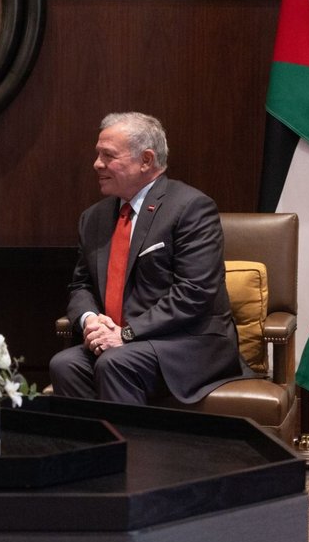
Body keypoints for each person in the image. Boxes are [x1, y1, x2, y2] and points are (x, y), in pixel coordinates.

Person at [48, 112, 246, 404]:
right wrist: (90, 321)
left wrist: (127, 334)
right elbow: (81, 286)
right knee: (64, 364)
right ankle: (95, 437)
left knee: (115, 363)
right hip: (122, 342)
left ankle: (129, 437)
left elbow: (195, 292)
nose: (97, 164)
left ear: (146, 160)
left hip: (187, 341)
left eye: (108, 155)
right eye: (98, 154)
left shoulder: (191, 208)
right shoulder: (94, 218)